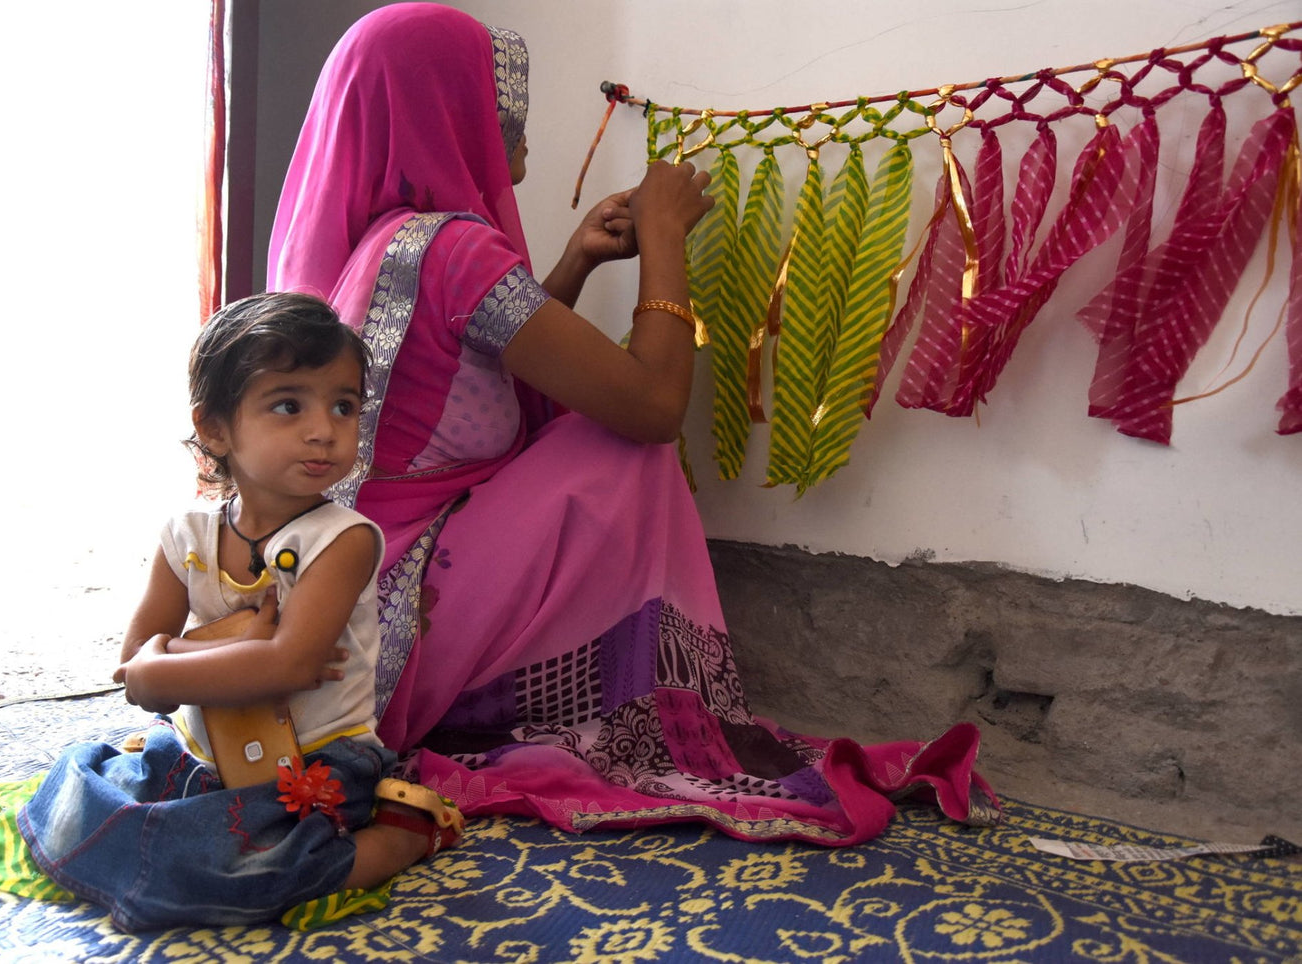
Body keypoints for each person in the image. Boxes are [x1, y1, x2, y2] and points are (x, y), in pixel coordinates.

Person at [261, 2, 999, 845]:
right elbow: (650, 408)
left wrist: (572, 263)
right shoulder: (455, 247)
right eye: (502, 106)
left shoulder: (387, 239)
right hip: (408, 635)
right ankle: (597, 705)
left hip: (358, 610)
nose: (522, 135)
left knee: (578, 433)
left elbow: (478, 387)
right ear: (451, 111)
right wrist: (663, 237)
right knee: (621, 449)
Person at [0, 292, 462, 933]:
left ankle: (399, 835)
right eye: (289, 405)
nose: (325, 430)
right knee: (78, 796)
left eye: (343, 406)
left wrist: (164, 671)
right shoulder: (187, 533)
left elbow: (287, 666)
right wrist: (195, 656)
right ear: (215, 429)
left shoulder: (341, 539)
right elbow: (134, 660)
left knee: (234, 869)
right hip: (203, 749)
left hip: (313, 763)